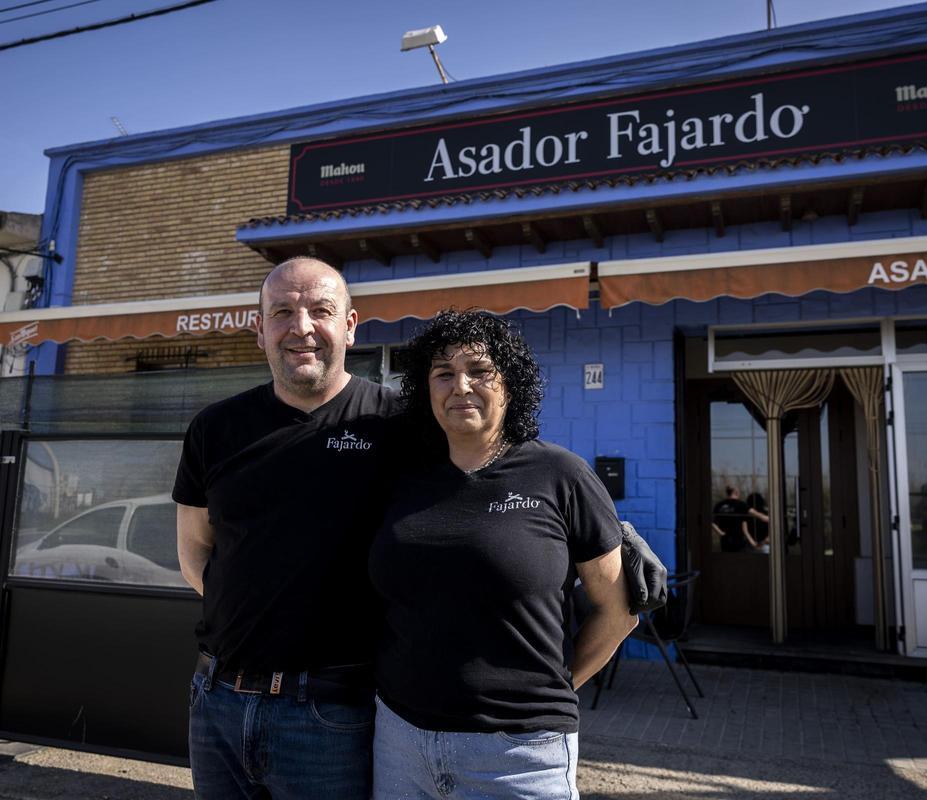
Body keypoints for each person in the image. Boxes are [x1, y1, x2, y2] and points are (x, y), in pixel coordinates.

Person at [368, 310, 637, 799]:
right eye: (443, 374)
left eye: (479, 371)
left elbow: (617, 610)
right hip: (400, 742)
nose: (460, 386)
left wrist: (554, 686)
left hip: (518, 754)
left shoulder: (561, 475)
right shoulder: (402, 481)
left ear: (509, 384)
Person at [173, 257, 399, 799]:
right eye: (282, 312)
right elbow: (194, 552)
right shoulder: (214, 428)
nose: (301, 328)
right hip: (218, 702)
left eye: (321, 311)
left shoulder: (398, 424)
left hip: (335, 712)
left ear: (349, 325)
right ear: (259, 331)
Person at [712, 485, 757, 552]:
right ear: (735, 492)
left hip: (725, 541)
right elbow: (744, 528)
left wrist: (721, 533)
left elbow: (712, 522)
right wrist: (752, 541)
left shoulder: (720, 505)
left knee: (727, 559)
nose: (739, 492)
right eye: (738, 491)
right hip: (739, 541)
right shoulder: (741, 505)